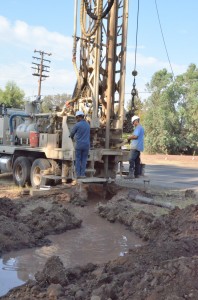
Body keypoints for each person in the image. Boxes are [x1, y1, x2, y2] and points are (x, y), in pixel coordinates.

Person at [70, 111, 90, 178]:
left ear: (78, 117)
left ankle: (78, 174)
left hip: (79, 145)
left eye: (76, 118)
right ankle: (82, 174)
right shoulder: (88, 125)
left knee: (78, 159)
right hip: (86, 145)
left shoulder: (77, 125)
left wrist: (71, 138)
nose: (76, 119)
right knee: (84, 160)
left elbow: (72, 133)